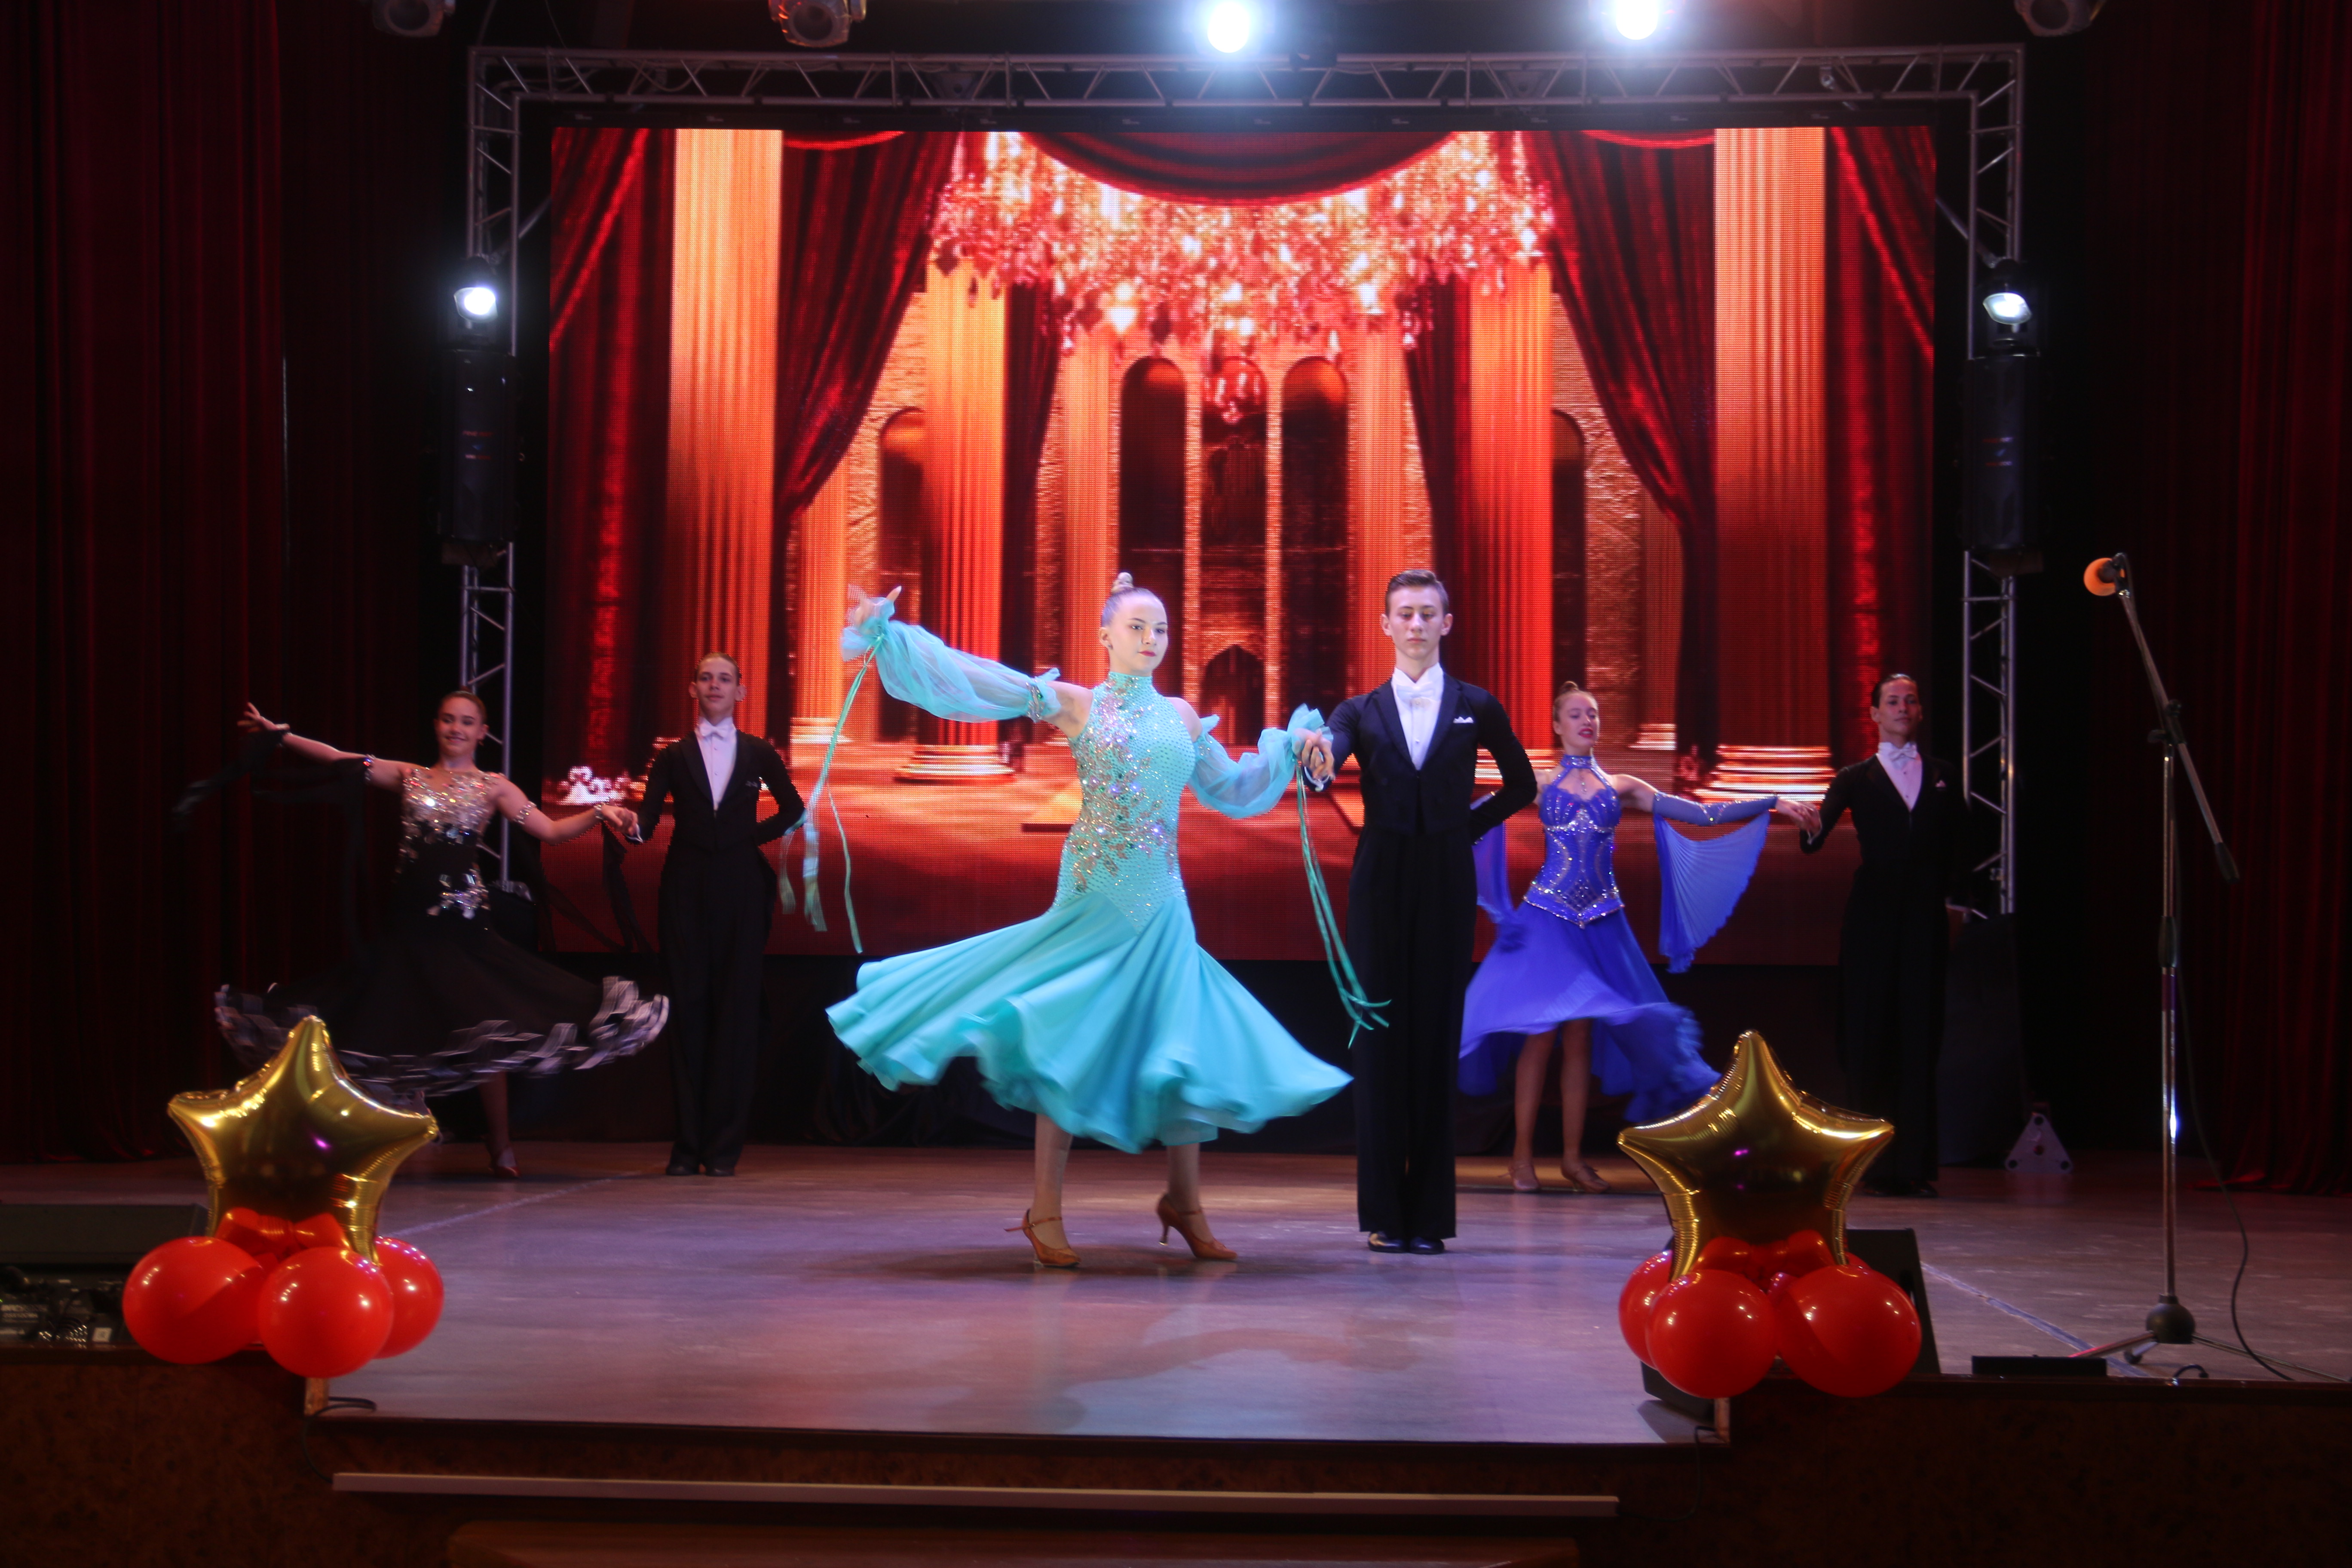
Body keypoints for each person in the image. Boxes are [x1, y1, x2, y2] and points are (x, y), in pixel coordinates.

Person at [827, 575, 1348, 1268]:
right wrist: (893, 637)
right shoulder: (1079, 704)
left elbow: (1231, 788)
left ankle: (1185, 1202)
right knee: (1067, 1037)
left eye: (1160, 629)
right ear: (1105, 636)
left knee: (1180, 1039)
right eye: (1136, 627)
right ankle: (1044, 1208)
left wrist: (1289, 748)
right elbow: (982, 682)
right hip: (1096, 890)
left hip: (1163, 897)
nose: (1151, 639)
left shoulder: (1182, 717)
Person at [216, 694, 668, 1179]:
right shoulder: (408, 776)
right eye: (449, 720)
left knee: (487, 1030)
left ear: (482, 732)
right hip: (409, 925)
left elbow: (550, 832)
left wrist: (599, 812)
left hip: (464, 929)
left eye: (467, 722)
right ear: (436, 725)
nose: (457, 728)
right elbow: (338, 757)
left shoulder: (493, 787)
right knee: (394, 1020)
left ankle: (500, 1143)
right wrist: (282, 737)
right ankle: (394, 1127)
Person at [1459, 682, 1816, 1192]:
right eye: (1576, 714)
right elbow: (1480, 819)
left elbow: (1700, 814)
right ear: (1557, 726)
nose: (1587, 721)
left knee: (1580, 1038)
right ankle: (1521, 1159)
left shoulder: (1622, 787)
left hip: (1602, 923)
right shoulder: (1538, 784)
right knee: (1539, 1036)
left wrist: (1773, 800)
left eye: (1593, 714)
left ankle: (1573, 1159)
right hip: (1548, 920)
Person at [1309, 570, 1538, 1255]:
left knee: (1437, 1037)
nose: (1415, 624)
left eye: (1427, 613)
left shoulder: (1477, 704)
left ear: (1447, 623)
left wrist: (1465, 829)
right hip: (1379, 878)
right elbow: (1327, 764)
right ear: (1385, 625)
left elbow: (1521, 783)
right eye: (1404, 614)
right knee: (1378, 1040)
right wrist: (1317, 756)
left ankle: (1429, 1218)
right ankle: (1385, 1215)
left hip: (1445, 877)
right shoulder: (1358, 710)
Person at [633, 653, 805, 1178]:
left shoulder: (758, 752)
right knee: (687, 1010)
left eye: (724, 679)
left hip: (741, 889)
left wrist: (746, 839)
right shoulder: (672, 755)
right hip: (684, 889)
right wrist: (624, 823)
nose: (715, 685)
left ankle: (724, 1149)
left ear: (740, 693)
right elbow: (646, 821)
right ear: (693, 689)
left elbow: (793, 809)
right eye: (706, 678)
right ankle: (687, 1148)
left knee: (735, 1013)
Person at [1799, 674, 1969, 1197]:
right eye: (1892, 701)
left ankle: (1914, 1164)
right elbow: (1816, 839)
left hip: (1923, 919)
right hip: (1872, 919)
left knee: (1920, 1034)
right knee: (1870, 1034)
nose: (1902, 707)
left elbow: (1964, 844)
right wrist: (1809, 826)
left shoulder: (1942, 775)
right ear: (1874, 714)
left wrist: (1957, 903)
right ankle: (1869, 1166)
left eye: (1910, 700)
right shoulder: (1855, 777)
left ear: (1920, 712)